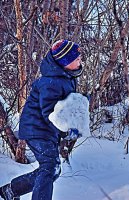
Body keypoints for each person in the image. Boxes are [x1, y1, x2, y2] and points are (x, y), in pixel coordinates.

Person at [0, 39, 83, 200]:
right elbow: (51, 112)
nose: (80, 61)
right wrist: (66, 129)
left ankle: (9, 191)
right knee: (49, 167)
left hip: (46, 130)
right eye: (77, 60)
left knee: (53, 169)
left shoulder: (66, 77)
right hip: (36, 129)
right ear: (64, 63)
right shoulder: (50, 83)